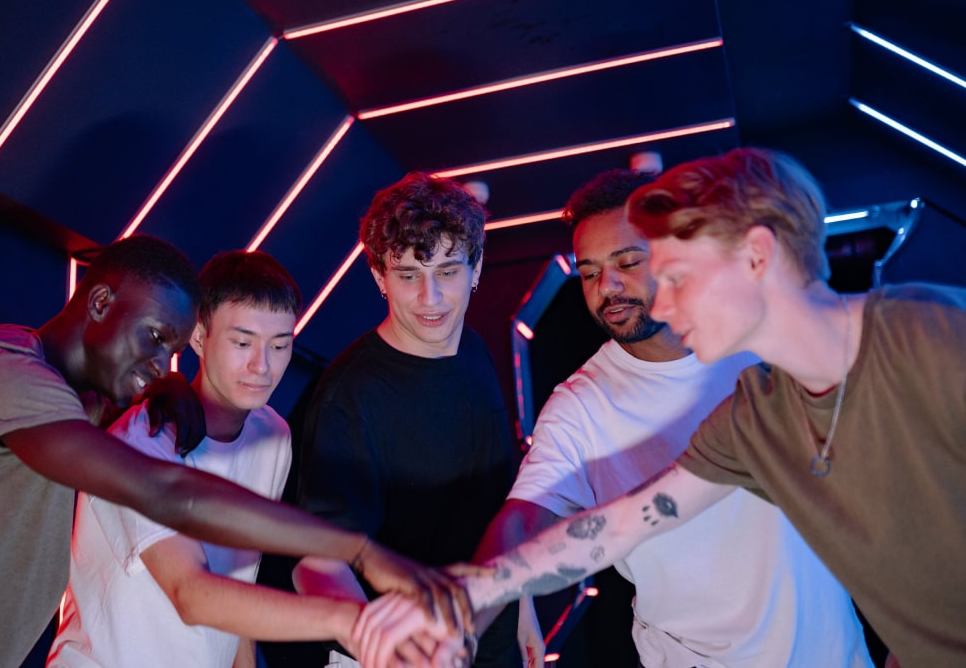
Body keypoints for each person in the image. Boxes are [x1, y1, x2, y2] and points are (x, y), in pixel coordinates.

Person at [0, 235, 465, 668]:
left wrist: (160, 390)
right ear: (100, 303)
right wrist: (357, 553)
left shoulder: (106, 410)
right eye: (155, 339)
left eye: (172, 349)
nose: (162, 364)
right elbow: (168, 497)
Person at [419, 148, 966, 668]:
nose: (667, 300)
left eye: (677, 276)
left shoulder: (928, 336)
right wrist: (468, 600)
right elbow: (620, 525)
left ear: (756, 257)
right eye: (590, 271)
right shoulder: (755, 416)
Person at [473, 169, 870, 666]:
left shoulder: (772, 347)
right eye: (589, 272)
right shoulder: (582, 405)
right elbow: (550, 519)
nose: (607, 286)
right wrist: (484, 598)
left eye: (627, 262)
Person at [50, 250, 375, 666]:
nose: (262, 366)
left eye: (280, 345)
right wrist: (354, 621)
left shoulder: (273, 435)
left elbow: (240, 581)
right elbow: (191, 593)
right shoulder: (141, 442)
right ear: (200, 337)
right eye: (242, 342)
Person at [292, 172, 520, 667]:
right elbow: (316, 563)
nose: (430, 298)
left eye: (447, 271)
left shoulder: (473, 350)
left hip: (490, 640)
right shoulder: (350, 394)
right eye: (409, 275)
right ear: (380, 277)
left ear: (476, 267)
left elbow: (496, 506)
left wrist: (521, 611)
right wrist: (394, 653)